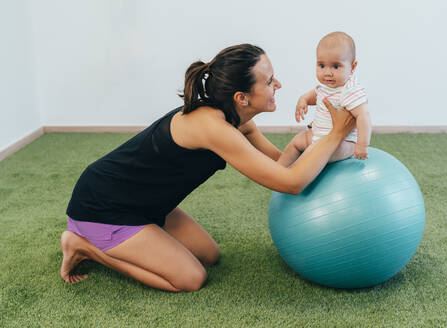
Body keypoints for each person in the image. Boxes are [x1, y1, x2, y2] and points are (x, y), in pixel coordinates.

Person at [60, 43, 356, 292]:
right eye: (269, 82)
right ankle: (85, 246)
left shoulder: (235, 117)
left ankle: (124, 237)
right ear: (242, 98)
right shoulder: (213, 127)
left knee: (209, 255)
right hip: (103, 206)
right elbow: (290, 182)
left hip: (146, 203)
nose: (278, 85)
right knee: (190, 279)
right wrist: (336, 135)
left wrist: (303, 144)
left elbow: (278, 166)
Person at [277, 32, 372, 167]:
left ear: (352, 67)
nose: (327, 72)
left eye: (336, 66)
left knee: (312, 153)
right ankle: (279, 169)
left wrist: (362, 145)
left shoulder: (350, 90)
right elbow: (315, 95)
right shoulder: (326, 87)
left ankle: (294, 176)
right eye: (321, 66)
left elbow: (364, 117)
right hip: (318, 136)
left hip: (342, 143)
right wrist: (303, 99)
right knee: (297, 141)